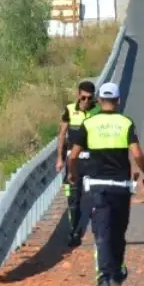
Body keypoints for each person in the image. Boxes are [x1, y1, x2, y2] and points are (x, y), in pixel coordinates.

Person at [68, 82, 144, 286]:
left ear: (99, 101)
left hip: (97, 186)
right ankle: (115, 270)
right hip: (121, 186)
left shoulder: (89, 124)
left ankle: (104, 276)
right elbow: (137, 154)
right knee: (118, 231)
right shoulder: (126, 123)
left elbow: (73, 155)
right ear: (118, 101)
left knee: (101, 231)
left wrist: (72, 174)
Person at [56, 80, 97, 247]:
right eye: (83, 97)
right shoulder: (70, 110)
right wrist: (59, 159)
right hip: (73, 160)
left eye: (89, 98)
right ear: (78, 95)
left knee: (96, 196)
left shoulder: (98, 110)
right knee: (73, 197)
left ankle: (95, 229)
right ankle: (74, 230)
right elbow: (61, 135)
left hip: (93, 159)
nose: (86, 102)